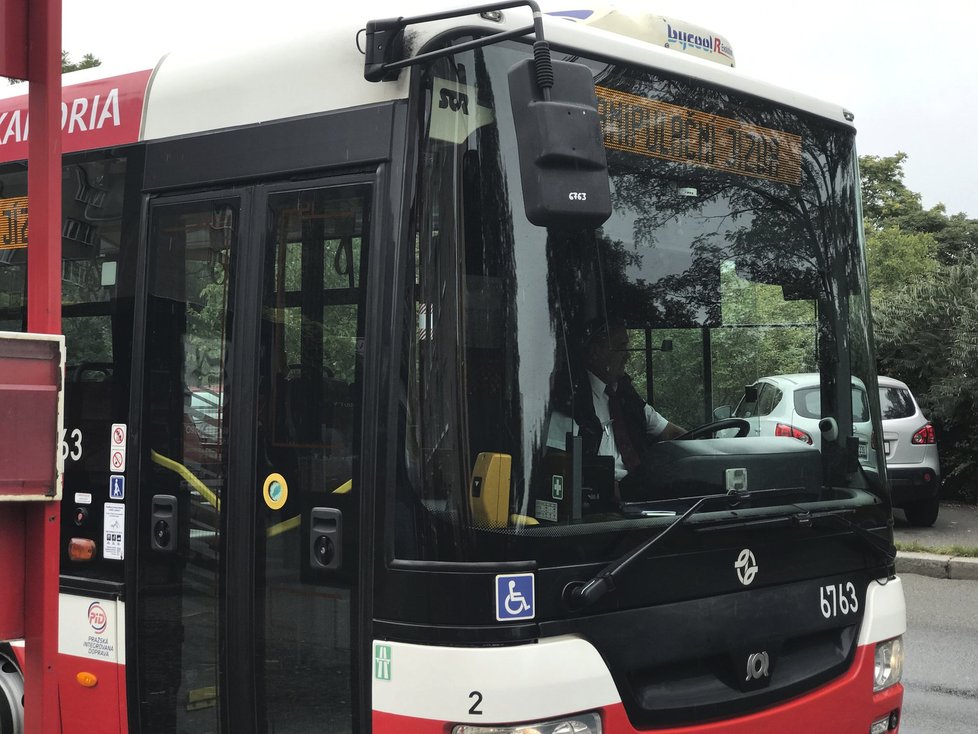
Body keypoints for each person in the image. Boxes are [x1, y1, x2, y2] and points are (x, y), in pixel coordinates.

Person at [547, 319, 685, 492]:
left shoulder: (625, 394)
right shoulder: (571, 398)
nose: (628, 355)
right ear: (595, 352)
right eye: (622, 347)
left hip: (642, 491)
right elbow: (559, 465)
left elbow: (671, 433)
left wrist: (708, 449)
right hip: (600, 504)